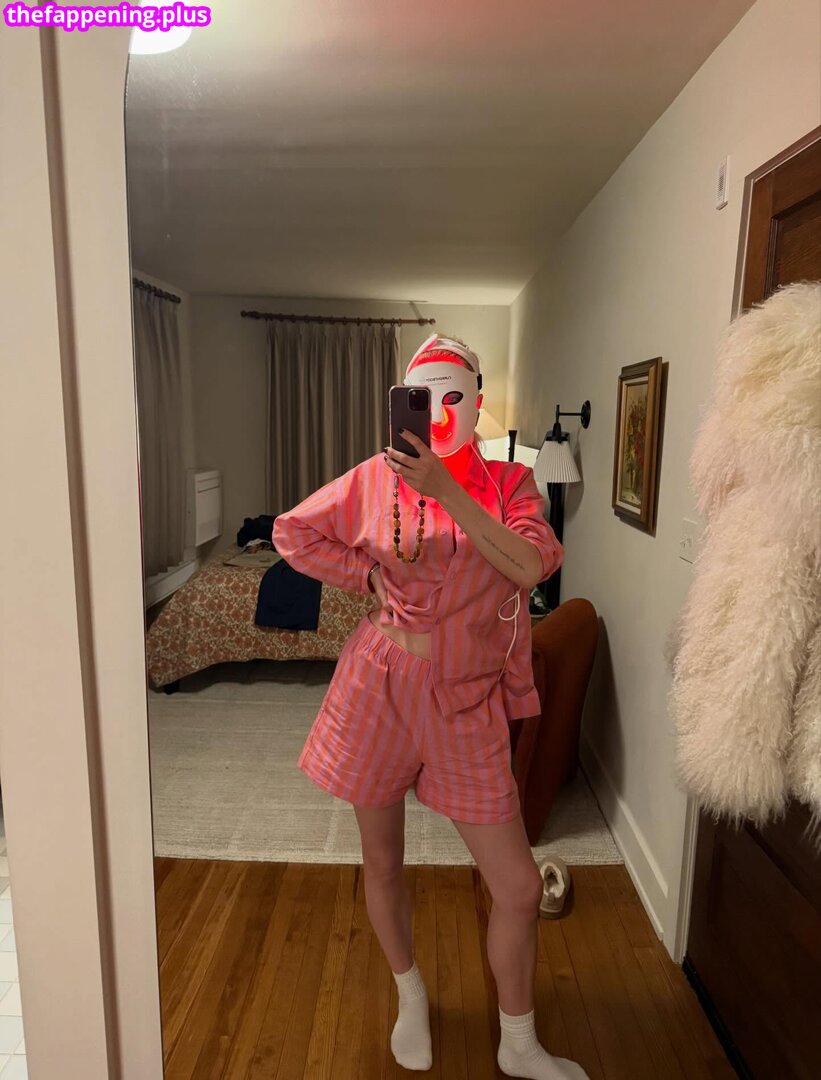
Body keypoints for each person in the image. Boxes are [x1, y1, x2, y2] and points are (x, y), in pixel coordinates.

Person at [273, 334, 588, 1079]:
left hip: (466, 702)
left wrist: (448, 490)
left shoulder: (511, 484)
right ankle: (409, 996)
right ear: (402, 407)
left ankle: (518, 1043)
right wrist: (361, 575)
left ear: (477, 403)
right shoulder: (374, 479)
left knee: (517, 886)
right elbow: (292, 531)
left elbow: (530, 565)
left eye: (454, 397)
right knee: (383, 861)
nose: (440, 413)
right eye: (423, 398)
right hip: (378, 685)